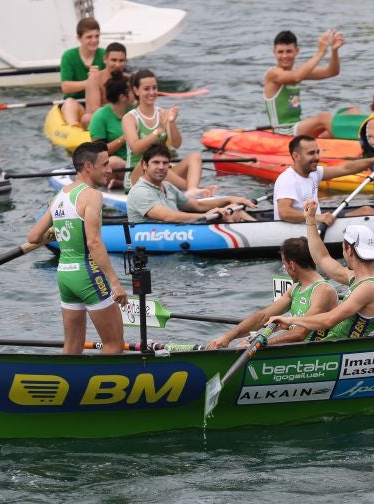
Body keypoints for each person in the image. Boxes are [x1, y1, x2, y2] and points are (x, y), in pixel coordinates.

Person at [26, 141, 127, 354]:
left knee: (72, 346)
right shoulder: (92, 195)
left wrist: (55, 231)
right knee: (114, 344)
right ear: (88, 167)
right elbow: (94, 242)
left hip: (65, 276)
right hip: (88, 275)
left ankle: (67, 384)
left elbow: (34, 236)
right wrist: (115, 283)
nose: (109, 170)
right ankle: (104, 386)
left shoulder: (59, 197)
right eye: (105, 164)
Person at [269, 199, 374, 339]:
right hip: (332, 344)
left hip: (346, 355)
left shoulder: (368, 288)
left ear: (348, 249)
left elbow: (329, 319)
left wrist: (291, 320)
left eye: (343, 248)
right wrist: (310, 220)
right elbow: (322, 258)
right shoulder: (354, 277)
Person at [206, 237, 339, 349]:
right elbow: (262, 317)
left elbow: (300, 332)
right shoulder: (295, 288)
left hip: (319, 353)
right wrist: (228, 337)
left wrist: (259, 345)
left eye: (284, 264)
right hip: (298, 349)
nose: (285, 268)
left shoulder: (322, 290)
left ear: (292, 265)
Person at [122, 68, 211, 196]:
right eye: (147, 89)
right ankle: (190, 189)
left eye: (154, 88)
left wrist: (172, 122)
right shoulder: (129, 118)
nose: (152, 92)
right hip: (137, 174)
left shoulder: (163, 113)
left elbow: (176, 144)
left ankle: (192, 190)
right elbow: (136, 148)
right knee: (157, 163)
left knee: (195, 157)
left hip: (161, 171)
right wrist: (159, 130)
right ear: (136, 91)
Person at [273, 135, 374, 225]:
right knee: (366, 213)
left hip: (313, 225)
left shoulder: (313, 173)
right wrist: (316, 217)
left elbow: (346, 168)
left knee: (366, 210)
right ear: (296, 156)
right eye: (311, 153)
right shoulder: (288, 179)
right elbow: (284, 213)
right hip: (297, 233)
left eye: (317, 152)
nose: (317, 157)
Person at [127, 144, 256, 223]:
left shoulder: (168, 186)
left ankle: (268, 234)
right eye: (156, 162)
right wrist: (205, 216)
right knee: (229, 215)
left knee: (234, 210)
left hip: (178, 228)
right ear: (144, 165)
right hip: (158, 234)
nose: (161, 167)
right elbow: (167, 216)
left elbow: (197, 206)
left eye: (165, 163)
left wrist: (229, 199)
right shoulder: (140, 191)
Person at [264, 30, 355, 137]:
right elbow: (295, 77)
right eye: (280, 52)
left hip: (297, 126)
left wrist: (334, 51)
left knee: (351, 112)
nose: (284, 56)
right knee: (324, 117)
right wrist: (321, 52)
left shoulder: (297, 71)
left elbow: (331, 72)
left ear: (297, 51)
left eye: (289, 51)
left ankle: (361, 140)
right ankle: (359, 144)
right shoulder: (273, 73)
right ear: (274, 52)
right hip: (283, 131)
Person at [88, 71, 133, 188]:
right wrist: (123, 139)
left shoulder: (136, 110)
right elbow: (98, 153)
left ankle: (123, 183)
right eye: (132, 91)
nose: (136, 93)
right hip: (116, 164)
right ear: (123, 97)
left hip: (136, 161)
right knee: (113, 162)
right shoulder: (100, 116)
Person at [60, 17, 106, 127]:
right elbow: (66, 87)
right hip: (77, 102)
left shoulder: (105, 55)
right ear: (79, 38)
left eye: (97, 36)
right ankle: (73, 126)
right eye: (89, 37)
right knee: (69, 102)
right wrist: (91, 81)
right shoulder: (69, 56)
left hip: (99, 103)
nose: (94, 40)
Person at [81, 42, 129, 129]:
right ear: (105, 59)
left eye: (121, 61)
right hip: (103, 119)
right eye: (113, 60)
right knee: (87, 119)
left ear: (126, 61)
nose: (117, 65)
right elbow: (94, 110)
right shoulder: (94, 79)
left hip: (125, 118)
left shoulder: (129, 80)